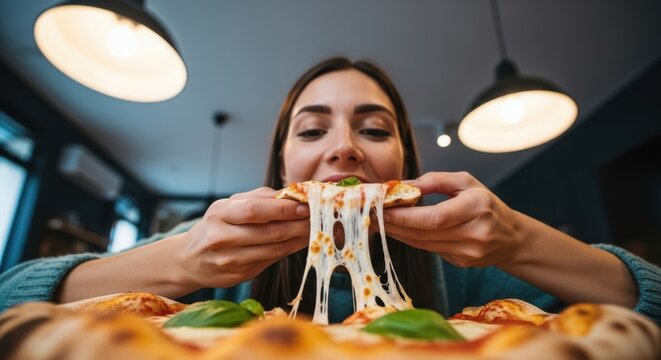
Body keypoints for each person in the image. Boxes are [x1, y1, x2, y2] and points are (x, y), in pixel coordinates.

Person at [1, 57, 659, 325]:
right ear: (281, 165)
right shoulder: (217, 253)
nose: (342, 146)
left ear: (403, 158)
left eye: (372, 129)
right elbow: (10, 300)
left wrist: (516, 240)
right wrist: (180, 260)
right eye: (312, 129)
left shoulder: (463, 271)